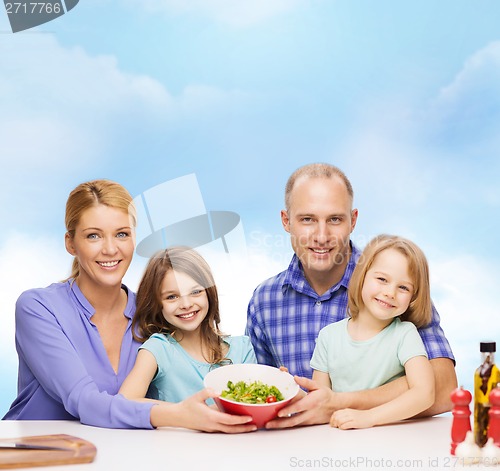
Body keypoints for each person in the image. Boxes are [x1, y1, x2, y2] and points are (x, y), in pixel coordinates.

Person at [3, 179, 256, 433]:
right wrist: (179, 414)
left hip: (117, 457)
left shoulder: (152, 313)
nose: (111, 249)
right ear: (70, 243)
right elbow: (82, 401)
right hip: (34, 453)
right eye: (93, 236)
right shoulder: (38, 308)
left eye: (121, 234)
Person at [245, 162, 457, 428]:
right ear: (286, 221)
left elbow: (444, 388)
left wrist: (342, 403)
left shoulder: (389, 287)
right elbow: (256, 395)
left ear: (353, 220)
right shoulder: (264, 302)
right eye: (307, 219)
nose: (321, 236)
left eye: (335, 219)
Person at [311, 234, 435, 429]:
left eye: (403, 287)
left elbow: (425, 393)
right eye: (382, 279)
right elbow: (320, 401)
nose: (390, 293)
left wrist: (369, 418)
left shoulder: (404, 334)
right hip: (339, 438)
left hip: (389, 439)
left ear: (413, 296)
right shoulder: (328, 336)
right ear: (362, 276)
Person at [118, 246, 257, 403]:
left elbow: (254, 403)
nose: (186, 304)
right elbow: (125, 402)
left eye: (196, 292)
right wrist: (186, 414)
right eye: (172, 297)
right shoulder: (158, 350)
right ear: (157, 304)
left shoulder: (242, 348)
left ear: (209, 292)